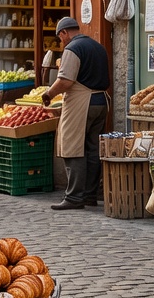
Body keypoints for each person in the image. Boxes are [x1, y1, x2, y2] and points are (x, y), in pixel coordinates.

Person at [41, 18, 110, 211]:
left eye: (60, 37)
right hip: (101, 102)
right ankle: (90, 195)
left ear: (64, 33)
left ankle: (74, 197)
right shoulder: (98, 47)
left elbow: (65, 81)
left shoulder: (72, 49)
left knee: (73, 147)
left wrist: (48, 94)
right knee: (93, 149)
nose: (61, 41)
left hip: (81, 103)